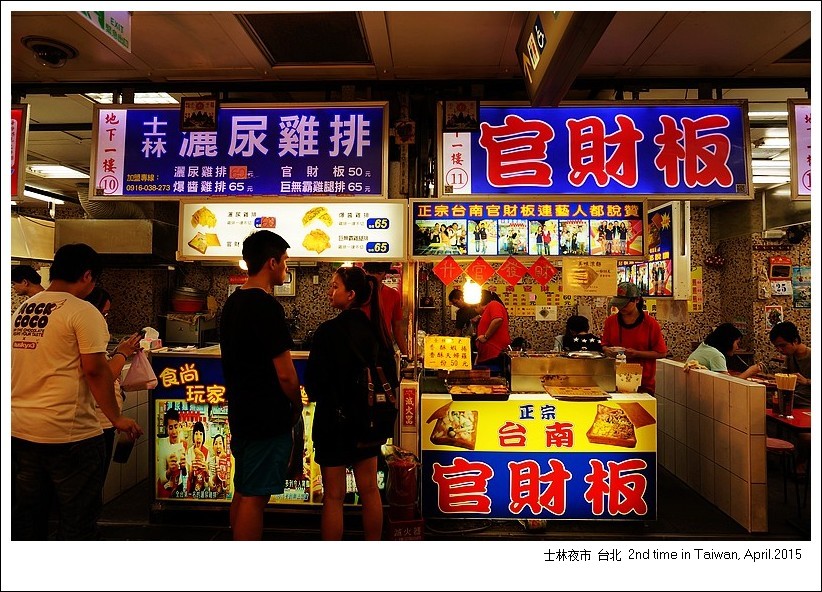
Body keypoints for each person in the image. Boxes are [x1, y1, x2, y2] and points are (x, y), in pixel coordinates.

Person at [11, 243, 142, 540]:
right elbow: (95, 371)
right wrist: (117, 417)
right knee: (77, 520)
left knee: (29, 518)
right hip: (68, 435)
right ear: (86, 276)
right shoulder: (82, 311)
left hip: (21, 431)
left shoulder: (23, 309)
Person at [304, 265, 398, 540]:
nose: (330, 291)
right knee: (369, 491)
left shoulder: (327, 332)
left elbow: (313, 385)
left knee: (334, 496)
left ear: (351, 294)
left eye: (335, 286)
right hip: (367, 423)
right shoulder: (377, 331)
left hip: (333, 423)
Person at [219, 229, 302, 540]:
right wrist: (295, 402)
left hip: (241, 412)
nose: (286, 268)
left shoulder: (233, 303)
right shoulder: (266, 307)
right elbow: (285, 373)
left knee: (244, 490)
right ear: (271, 262)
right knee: (255, 497)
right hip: (267, 416)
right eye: (284, 262)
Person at [84, 286, 142, 472]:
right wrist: (123, 354)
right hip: (94, 427)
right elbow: (104, 377)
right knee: (91, 486)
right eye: (104, 314)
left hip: (99, 423)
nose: (104, 320)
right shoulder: (84, 329)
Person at [601, 281, 668, 395]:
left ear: (636, 300)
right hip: (613, 382)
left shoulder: (650, 324)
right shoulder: (610, 322)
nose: (620, 307)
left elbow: (661, 353)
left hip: (643, 384)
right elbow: (604, 345)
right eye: (618, 304)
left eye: (625, 304)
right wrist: (607, 350)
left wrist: (636, 353)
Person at [363, 261, 408, 357]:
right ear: (365, 271)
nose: (373, 276)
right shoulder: (357, 294)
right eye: (370, 272)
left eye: (378, 273)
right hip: (360, 347)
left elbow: (397, 328)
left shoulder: (393, 294)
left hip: (382, 347)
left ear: (385, 274)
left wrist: (407, 355)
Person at [687, 323, 760, 379]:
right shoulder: (716, 355)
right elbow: (727, 385)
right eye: (737, 343)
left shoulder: (703, 346)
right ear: (728, 341)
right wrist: (750, 371)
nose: (737, 347)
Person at [769, 321, 811, 408]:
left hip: (807, 401)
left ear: (795, 341)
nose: (779, 350)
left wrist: (807, 381)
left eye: (783, 345)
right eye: (776, 347)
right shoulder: (790, 356)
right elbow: (784, 374)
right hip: (794, 396)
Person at [156, 407, 189, 498]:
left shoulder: (184, 444)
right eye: (170, 427)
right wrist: (169, 471)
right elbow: (162, 479)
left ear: (179, 426)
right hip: (165, 491)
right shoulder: (162, 445)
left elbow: (186, 473)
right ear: (166, 428)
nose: (174, 431)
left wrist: (184, 467)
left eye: (176, 426)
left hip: (178, 487)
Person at [475, 289, 511, 369]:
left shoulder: (493, 304)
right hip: (487, 355)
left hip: (495, 353)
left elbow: (498, 319)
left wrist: (485, 337)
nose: (475, 309)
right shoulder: (486, 311)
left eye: (475, 307)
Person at [209, 433, 232, 498]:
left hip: (225, 497)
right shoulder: (211, 461)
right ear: (213, 447)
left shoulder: (228, 461)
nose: (218, 446)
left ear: (224, 447)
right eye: (216, 443)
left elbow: (228, 488)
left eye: (220, 443)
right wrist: (217, 474)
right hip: (213, 497)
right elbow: (211, 486)